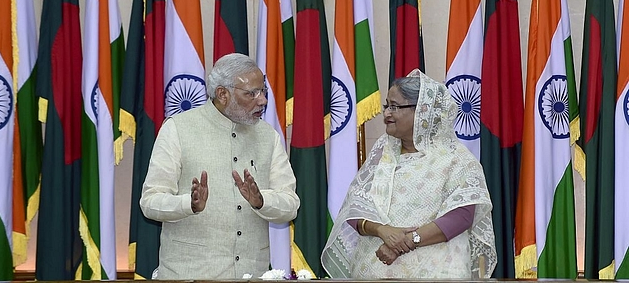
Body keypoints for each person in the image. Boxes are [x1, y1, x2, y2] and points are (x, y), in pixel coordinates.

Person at [321, 69, 496, 279]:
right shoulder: (382, 153)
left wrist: (405, 242)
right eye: (387, 105)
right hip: (375, 269)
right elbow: (354, 209)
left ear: (423, 110)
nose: (386, 113)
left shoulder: (456, 158)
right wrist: (382, 231)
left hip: (437, 272)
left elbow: (461, 217)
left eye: (394, 106)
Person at [140, 53, 300, 279]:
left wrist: (261, 201)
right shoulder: (178, 129)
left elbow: (291, 204)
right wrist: (189, 204)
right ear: (222, 94)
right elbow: (150, 202)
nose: (262, 100)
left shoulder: (268, 136)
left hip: (251, 274)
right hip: (191, 275)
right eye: (251, 93)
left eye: (262, 91)